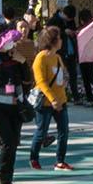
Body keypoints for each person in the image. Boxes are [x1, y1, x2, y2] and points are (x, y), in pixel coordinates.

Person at [0, 30, 32, 184]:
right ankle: (1, 179)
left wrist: (23, 61)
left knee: (13, 144)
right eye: (10, 40)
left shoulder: (15, 58)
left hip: (16, 107)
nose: (13, 43)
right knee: (7, 142)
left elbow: (27, 79)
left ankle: (8, 180)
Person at [29, 26, 74, 172]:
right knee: (42, 131)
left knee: (64, 130)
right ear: (53, 41)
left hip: (61, 100)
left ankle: (60, 161)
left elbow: (63, 74)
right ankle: (34, 157)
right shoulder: (41, 57)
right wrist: (52, 99)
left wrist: (65, 81)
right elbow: (40, 82)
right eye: (59, 38)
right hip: (46, 102)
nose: (61, 41)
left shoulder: (58, 57)